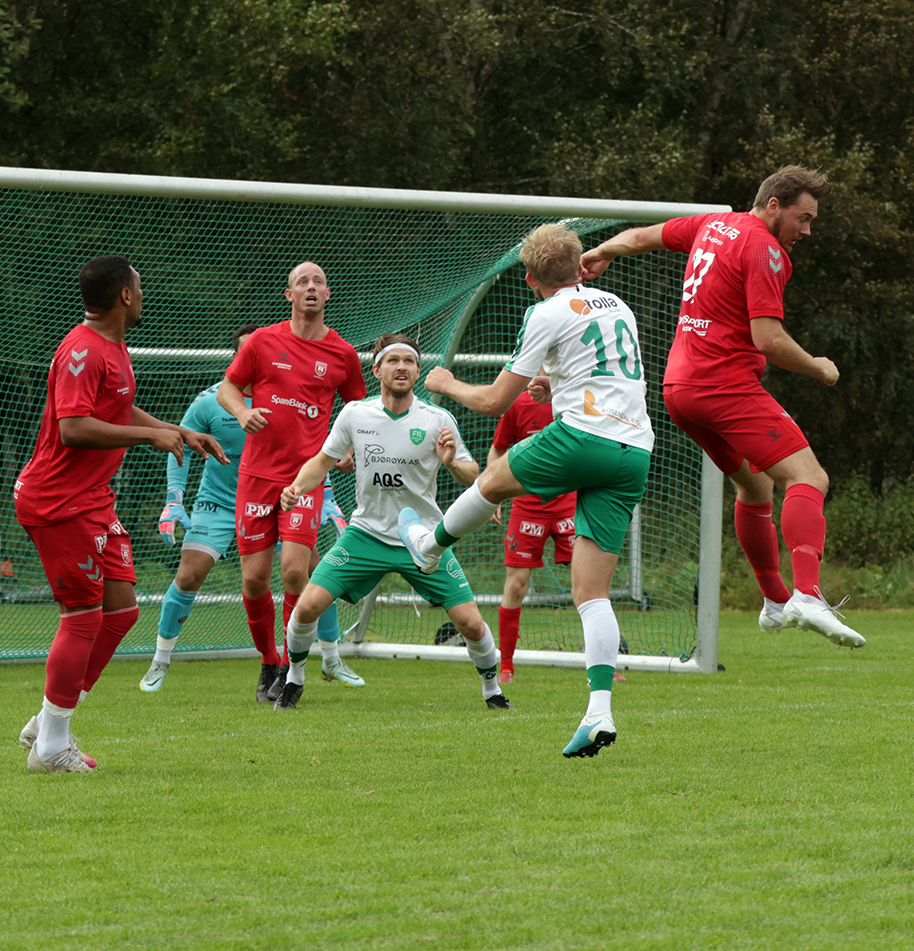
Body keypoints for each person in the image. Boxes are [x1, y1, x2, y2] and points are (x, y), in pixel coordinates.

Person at [578, 165, 861, 647]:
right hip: (723, 386)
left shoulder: (712, 223)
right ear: (774, 206)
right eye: (803, 218)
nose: (807, 231)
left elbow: (642, 237)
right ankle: (808, 595)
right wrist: (818, 367)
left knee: (754, 489)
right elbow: (767, 339)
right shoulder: (765, 249)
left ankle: (774, 599)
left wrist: (601, 251)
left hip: (679, 389)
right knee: (809, 478)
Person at [403, 224, 654, 757]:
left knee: (492, 482)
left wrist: (446, 385)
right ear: (580, 263)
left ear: (530, 276)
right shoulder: (617, 302)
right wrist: (554, 383)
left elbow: (495, 402)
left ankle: (427, 548)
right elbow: (599, 368)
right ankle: (598, 713)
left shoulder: (543, 311)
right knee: (591, 595)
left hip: (585, 436)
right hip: (634, 450)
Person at [12, 255, 227, 772]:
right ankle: (50, 748)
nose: (143, 291)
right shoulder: (82, 350)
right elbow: (74, 428)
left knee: (122, 610)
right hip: (59, 502)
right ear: (126, 295)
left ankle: (48, 720)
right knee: (83, 617)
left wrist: (174, 431)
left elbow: (113, 410)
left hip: (92, 499)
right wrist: (149, 436)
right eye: (139, 284)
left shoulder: (113, 346)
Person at [275, 335, 491, 711]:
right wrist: (295, 486)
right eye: (393, 361)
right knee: (306, 606)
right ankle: (293, 678)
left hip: (423, 539)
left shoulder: (437, 419)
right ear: (377, 370)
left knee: (471, 625)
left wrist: (452, 460)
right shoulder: (356, 414)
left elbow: (473, 475)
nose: (402, 367)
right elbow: (323, 461)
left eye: (410, 361)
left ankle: (494, 693)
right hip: (365, 535)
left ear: (418, 371)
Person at [141, 327, 362, 692]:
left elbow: (312, 448)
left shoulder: (290, 393)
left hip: (287, 495)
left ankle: (329, 659)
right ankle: (160, 660)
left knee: (307, 571)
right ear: (239, 361)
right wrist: (173, 499)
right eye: (249, 356)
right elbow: (179, 443)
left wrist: (329, 499)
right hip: (220, 502)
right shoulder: (210, 401)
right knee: (192, 575)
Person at [218, 262, 366, 701]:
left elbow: (358, 412)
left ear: (328, 293)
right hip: (256, 475)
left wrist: (350, 449)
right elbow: (229, 386)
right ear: (289, 294)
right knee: (254, 581)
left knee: (295, 571)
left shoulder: (342, 354)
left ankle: (289, 664)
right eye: (303, 281)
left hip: (305, 480)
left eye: (319, 281)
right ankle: (267, 660)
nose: (311, 287)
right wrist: (243, 412)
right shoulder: (263, 340)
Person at [489, 387, 578, 683]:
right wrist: (492, 493)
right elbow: (499, 449)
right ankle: (505, 665)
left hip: (570, 503)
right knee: (515, 587)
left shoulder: (578, 397)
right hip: (527, 505)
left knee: (590, 584)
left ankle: (603, 665)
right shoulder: (518, 405)